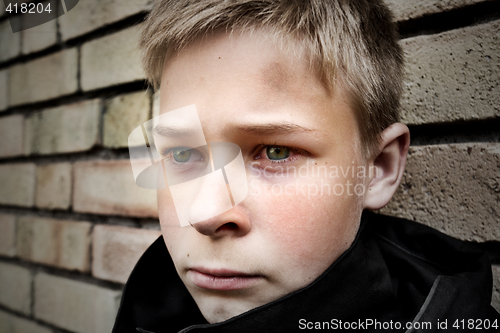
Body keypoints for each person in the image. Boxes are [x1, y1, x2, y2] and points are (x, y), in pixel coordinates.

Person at [113, 0, 500, 332]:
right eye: (182, 155)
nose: (204, 214)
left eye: (275, 152)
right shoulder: (145, 308)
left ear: (377, 168)